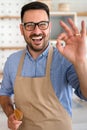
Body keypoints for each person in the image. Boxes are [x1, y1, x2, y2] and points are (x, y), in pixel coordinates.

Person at [0, 1, 87, 130]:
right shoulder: (12, 61)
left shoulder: (65, 59)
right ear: (21, 29)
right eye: (29, 25)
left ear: (49, 27)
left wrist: (81, 61)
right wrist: (10, 114)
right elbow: (4, 94)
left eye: (42, 24)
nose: (37, 31)